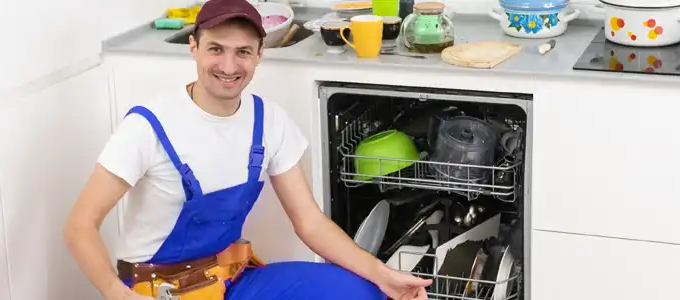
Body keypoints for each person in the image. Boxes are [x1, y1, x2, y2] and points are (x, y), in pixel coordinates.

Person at [62, 0, 432, 299]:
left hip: (231, 280)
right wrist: (115, 293)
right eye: (215, 49)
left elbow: (310, 221)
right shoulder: (148, 126)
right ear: (193, 47)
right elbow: (80, 225)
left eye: (242, 52)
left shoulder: (268, 120)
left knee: (360, 292)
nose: (228, 65)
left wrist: (383, 274)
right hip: (158, 290)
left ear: (259, 55)